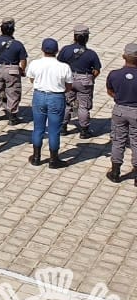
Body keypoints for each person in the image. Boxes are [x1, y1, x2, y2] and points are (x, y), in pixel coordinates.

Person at [27, 38, 71, 169]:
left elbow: (31, 79)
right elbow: (68, 85)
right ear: (57, 51)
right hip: (56, 97)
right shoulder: (64, 67)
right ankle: (53, 159)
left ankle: (36, 157)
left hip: (39, 95)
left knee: (38, 128)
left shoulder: (35, 63)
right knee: (54, 129)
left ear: (42, 50)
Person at [59, 27, 102, 138]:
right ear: (87, 38)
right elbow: (97, 70)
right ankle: (84, 131)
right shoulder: (91, 54)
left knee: (67, 104)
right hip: (84, 81)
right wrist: (91, 78)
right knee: (83, 106)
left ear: (74, 37)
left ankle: (62, 127)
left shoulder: (65, 49)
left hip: (69, 79)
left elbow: (59, 64)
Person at [105, 43, 137, 186]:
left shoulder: (114, 74)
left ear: (124, 57)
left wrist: (119, 98)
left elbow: (110, 91)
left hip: (120, 110)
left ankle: (116, 172)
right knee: (136, 141)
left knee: (118, 140)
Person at [0, 19, 27, 124]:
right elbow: (23, 60)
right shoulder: (17, 44)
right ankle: (12, 116)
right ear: (13, 30)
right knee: (13, 92)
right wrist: (22, 70)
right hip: (12, 70)